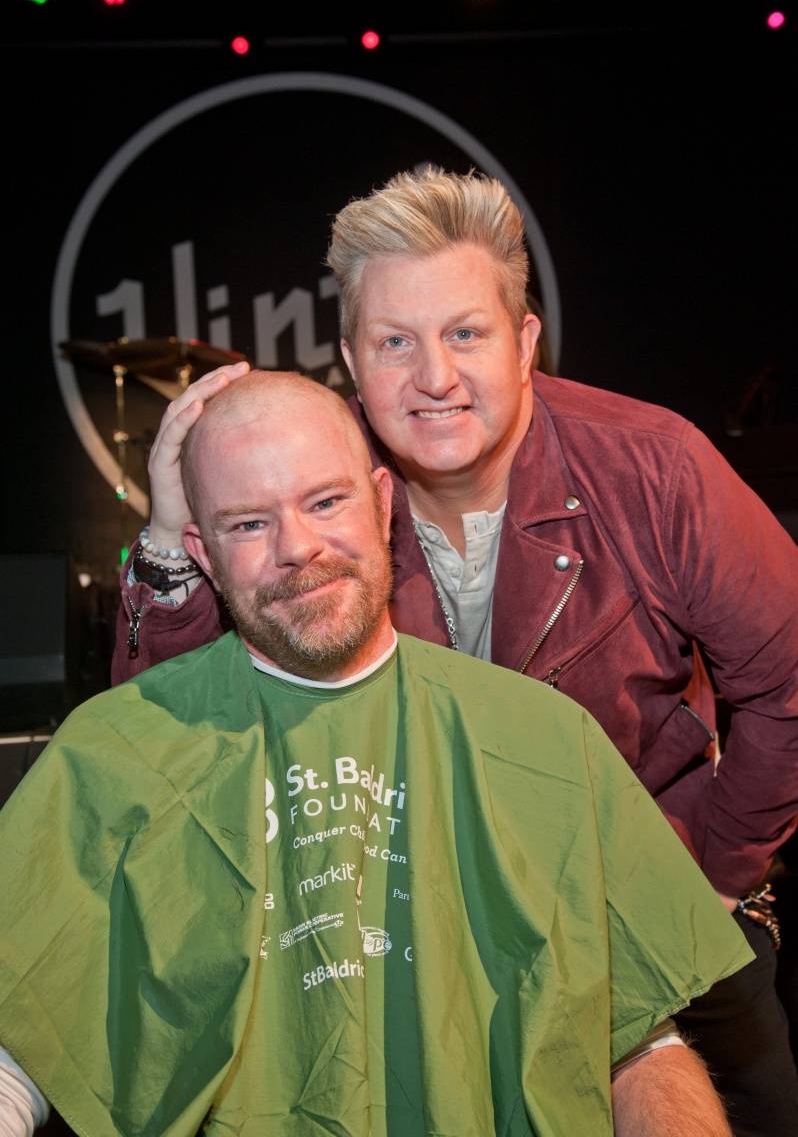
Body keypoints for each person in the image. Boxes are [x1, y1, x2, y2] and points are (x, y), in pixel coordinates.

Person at [114, 168, 798, 1136]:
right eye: (396, 341)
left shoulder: (656, 467)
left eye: (466, 334)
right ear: (351, 359)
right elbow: (166, 753)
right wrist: (166, 539)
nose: (433, 377)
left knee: (756, 1104)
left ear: (524, 343)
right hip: (419, 928)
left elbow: (789, 681)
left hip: (640, 897)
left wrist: (711, 872)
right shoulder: (319, 489)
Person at [0, 372, 750, 1137]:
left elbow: (642, 1044)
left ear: (383, 502)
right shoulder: (116, 752)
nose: (298, 548)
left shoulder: (547, 742)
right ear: (203, 551)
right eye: (249, 525)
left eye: (326, 502)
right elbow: (13, 1051)